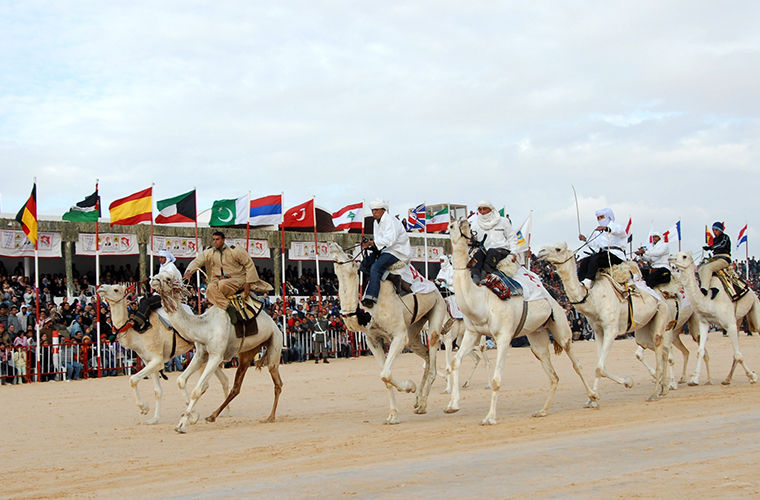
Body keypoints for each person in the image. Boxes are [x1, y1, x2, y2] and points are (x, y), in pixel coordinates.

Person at [183, 231, 273, 323]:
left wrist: (248, 282)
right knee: (209, 287)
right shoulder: (209, 253)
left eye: (217, 239)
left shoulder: (235, 251)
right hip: (217, 280)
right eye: (213, 240)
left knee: (222, 284)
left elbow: (248, 264)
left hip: (237, 279)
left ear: (223, 240)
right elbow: (197, 261)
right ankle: (227, 307)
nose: (215, 242)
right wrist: (189, 271)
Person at [359, 200, 412, 308]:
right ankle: (392, 277)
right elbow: (380, 240)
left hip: (397, 251)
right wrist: (369, 245)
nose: (374, 212)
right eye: (372, 210)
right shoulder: (376, 222)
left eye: (376, 210)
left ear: (383, 210)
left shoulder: (391, 220)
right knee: (364, 264)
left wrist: (372, 243)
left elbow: (390, 240)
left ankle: (371, 298)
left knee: (375, 268)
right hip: (385, 249)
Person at [133, 249, 182, 332]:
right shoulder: (163, 267)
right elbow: (159, 278)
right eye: (160, 257)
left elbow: (165, 280)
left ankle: (138, 323)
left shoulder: (171, 268)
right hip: (161, 293)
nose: (160, 259)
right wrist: (149, 279)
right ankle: (145, 321)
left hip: (169, 296)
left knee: (146, 302)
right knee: (142, 300)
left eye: (162, 257)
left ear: (167, 258)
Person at [577, 208, 627, 289]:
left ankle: (589, 280)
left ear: (608, 216)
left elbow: (621, 232)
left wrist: (607, 229)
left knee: (595, 258)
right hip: (603, 254)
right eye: (598, 218)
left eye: (602, 217)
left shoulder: (616, 226)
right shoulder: (598, 231)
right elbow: (596, 243)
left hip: (615, 255)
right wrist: (585, 239)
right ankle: (580, 282)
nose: (600, 219)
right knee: (585, 261)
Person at [469, 201, 517, 284]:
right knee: (477, 256)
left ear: (491, 209)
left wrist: (514, 253)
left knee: (491, 252)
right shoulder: (475, 224)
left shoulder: (503, 221)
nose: (482, 212)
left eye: (485, 209)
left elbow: (512, 237)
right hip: (484, 250)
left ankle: (486, 275)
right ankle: (475, 277)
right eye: (480, 209)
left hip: (501, 250)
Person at [700, 222, 731, 295]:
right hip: (715, 258)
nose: (714, 232)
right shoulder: (715, 239)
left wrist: (711, 247)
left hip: (724, 259)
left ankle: (704, 289)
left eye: (716, 230)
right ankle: (712, 287)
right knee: (701, 268)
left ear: (720, 230)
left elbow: (722, 244)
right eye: (713, 230)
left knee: (708, 268)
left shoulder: (725, 237)